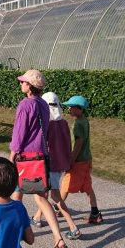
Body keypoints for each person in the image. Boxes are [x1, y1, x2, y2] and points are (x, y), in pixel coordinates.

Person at [10, 69, 68, 248]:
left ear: (30, 86)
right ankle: (58, 239)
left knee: (16, 197)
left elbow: (19, 134)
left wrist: (11, 157)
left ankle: (13, 234)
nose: (21, 84)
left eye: (23, 82)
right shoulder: (43, 104)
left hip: (26, 158)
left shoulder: (25, 105)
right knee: (41, 199)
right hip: (41, 156)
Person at [31, 92, 81, 240]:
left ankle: (72, 226)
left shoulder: (47, 124)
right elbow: (67, 144)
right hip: (60, 164)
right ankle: (37, 217)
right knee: (43, 194)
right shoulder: (64, 123)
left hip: (48, 164)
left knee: (54, 196)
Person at [60, 95, 103, 224]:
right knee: (87, 186)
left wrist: (71, 160)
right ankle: (95, 213)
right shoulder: (85, 120)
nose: (69, 110)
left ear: (80, 109)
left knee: (65, 185)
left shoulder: (78, 124)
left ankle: (58, 208)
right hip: (87, 158)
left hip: (79, 160)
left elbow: (78, 143)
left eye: (72, 107)